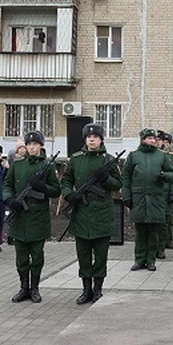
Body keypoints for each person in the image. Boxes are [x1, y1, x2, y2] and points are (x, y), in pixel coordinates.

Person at [62, 123, 122, 304]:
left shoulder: (109, 160)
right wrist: (69, 195)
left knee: (101, 255)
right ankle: (85, 289)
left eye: (95, 137)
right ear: (85, 139)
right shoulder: (76, 159)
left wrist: (106, 178)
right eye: (89, 137)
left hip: (102, 214)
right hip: (81, 214)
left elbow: (118, 185)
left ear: (101, 139)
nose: (92, 140)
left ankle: (97, 289)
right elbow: (66, 180)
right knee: (83, 255)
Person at [3, 131, 61, 303]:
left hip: (38, 217)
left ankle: (35, 288)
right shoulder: (17, 165)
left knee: (37, 256)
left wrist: (43, 187)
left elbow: (56, 190)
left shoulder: (48, 166)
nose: (32, 147)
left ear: (41, 146)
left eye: (35, 144)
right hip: (19, 216)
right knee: (21, 256)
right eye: (29, 145)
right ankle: (23, 288)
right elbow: (7, 185)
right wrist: (9, 200)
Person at [121, 128, 173, 272]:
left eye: (154, 138)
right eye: (149, 138)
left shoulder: (162, 156)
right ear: (142, 139)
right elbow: (126, 177)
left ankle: (151, 260)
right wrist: (126, 196)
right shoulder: (134, 156)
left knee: (153, 232)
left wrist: (164, 176)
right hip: (139, 198)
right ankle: (139, 260)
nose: (152, 141)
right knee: (140, 232)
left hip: (156, 199)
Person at [155, 130, 173, 259]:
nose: (162, 143)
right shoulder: (150, 155)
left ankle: (166, 242)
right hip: (155, 194)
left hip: (167, 194)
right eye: (160, 140)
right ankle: (155, 246)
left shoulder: (171, 157)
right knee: (157, 222)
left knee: (167, 220)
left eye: (165, 141)